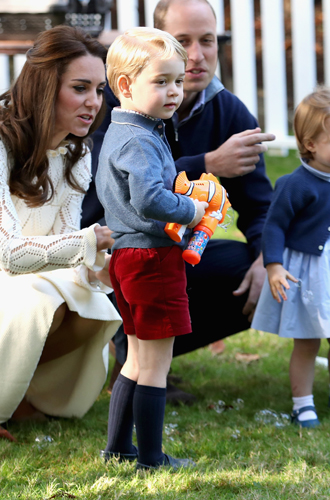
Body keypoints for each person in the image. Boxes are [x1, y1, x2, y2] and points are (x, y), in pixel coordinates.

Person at [84, 0, 275, 402]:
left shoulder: (228, 111)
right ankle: (129, 358)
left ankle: (151, 360)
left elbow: (259, 205)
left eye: (207, 40)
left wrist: (266, 258)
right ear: (161, 44)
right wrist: (207, 164)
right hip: (111, 255)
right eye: (182, 41)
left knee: (248, 268)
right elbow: (107, 199)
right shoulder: (115, 109)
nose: (197, 55)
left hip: (173, 253)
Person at [0, 25, 122, 441]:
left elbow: (64, 243)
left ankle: (23, 395)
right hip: (7, 270)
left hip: (21, 278)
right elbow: (9, 255)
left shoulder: (77, 153)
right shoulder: (1, 141)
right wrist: (87, 243)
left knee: (93, 304)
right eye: (80, 87)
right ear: (45, 87)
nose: (94, 102)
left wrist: (98, 267)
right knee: (39, 301)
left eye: (100, 89)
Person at [96, 27, 205, 470]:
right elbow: (147, 199)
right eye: (161, 81)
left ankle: (119, 449)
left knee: (136, 359)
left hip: (127, 256)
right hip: (152, 258)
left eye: (178, 81)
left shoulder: (122, 130)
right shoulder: (141, 139)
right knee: (156, 364)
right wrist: (191, 209)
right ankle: (153, 459)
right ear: (125, 85)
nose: (175, 91)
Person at [252, 87, 330, 428]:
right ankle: (303, 403)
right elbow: (274, 228)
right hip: (309, 273)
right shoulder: (294, 185)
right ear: (310, 144)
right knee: (308, 339)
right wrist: (274, 266)